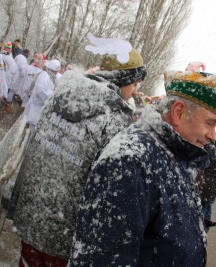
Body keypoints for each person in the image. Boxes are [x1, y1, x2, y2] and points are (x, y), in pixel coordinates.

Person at [69, 70, 216, 266]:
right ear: (178, 113)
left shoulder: (177, 153)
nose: (213, 136)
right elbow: (101, 259)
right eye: (210, 123)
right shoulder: (130, 160)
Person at [9, 40, 147, 266]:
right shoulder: (115, 120)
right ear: (123, 79)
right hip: (64, 233)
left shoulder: (60, 95)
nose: (136, 91)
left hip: (30, 212)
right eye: (135, 84)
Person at [23, 59, 62, 131]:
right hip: (37, 106)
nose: (57, 73)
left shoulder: (49, 76)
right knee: (31, 130)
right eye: (57, 71)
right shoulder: (45, 76)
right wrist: (52, 95)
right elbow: (41, 91)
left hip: (39, 107)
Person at [0, 41, 17, 106]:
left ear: (4, 48)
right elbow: (13, 72)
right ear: (10, 50)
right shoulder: (12, 61)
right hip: (3, 82)